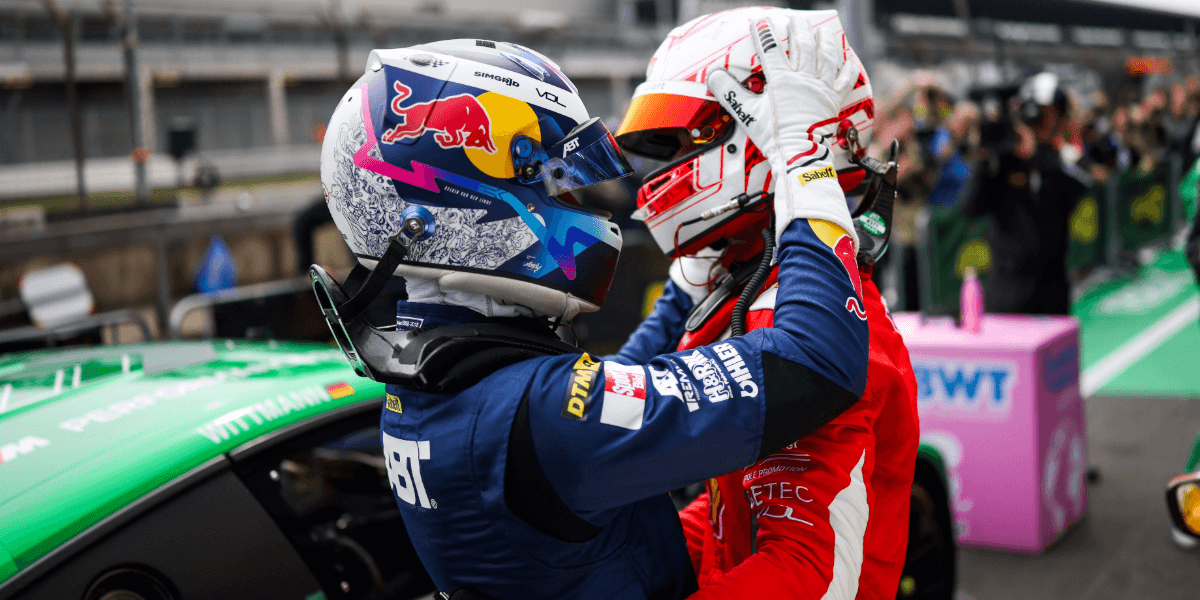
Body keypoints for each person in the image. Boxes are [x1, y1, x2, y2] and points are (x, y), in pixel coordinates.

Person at [311, 32, 868, 599]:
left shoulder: (431, 375)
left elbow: (617, 388)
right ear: (461, 202)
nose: (576, 203)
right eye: (552, 183)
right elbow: (816, 360)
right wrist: (805, 166)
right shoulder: (539, 415)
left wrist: (685, 282)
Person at [614, 8, 920, 598]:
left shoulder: (791, 309)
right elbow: (734, 506)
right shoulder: (745, 280)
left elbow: (810, 571)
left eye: (685, 138)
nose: (666, 163)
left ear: (757, 132)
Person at [962, 72, 1090, 315]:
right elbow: (969, 208)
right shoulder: (1002, 162)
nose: (1039, 120)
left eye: (1047, 112)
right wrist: (989, 158)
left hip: (1053, 288)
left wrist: (1037, 156)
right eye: (1034, 112)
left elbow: (1083, 185)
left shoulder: (1061, 158)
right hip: (1007, 290)